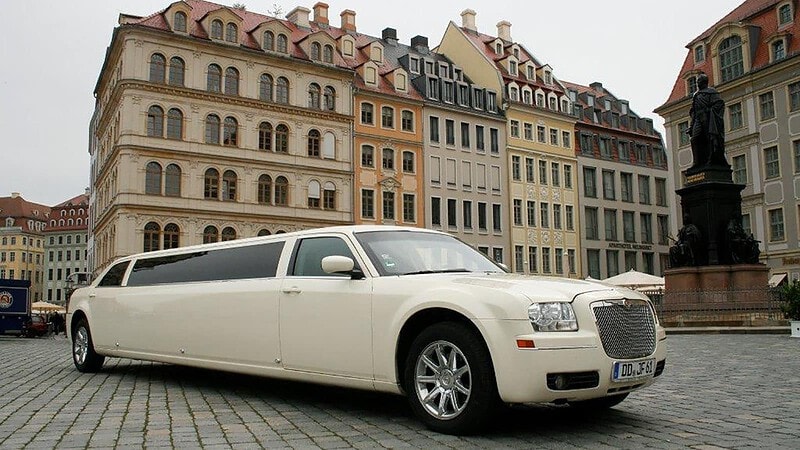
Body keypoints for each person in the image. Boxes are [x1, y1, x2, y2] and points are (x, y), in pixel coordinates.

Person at [688, 73, 727, 169]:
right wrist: (691, 126)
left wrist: (710, 111)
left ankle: (710, 159)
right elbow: (694, 111)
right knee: (694, 139)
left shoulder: (712, 92)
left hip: (708, 118)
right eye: (697, 82)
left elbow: (719, 104)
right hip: (698, 118)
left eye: (699, 81)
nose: (697, 84)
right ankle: (696, 162)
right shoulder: (696, 95)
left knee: (709, 139)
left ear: (704, 82)